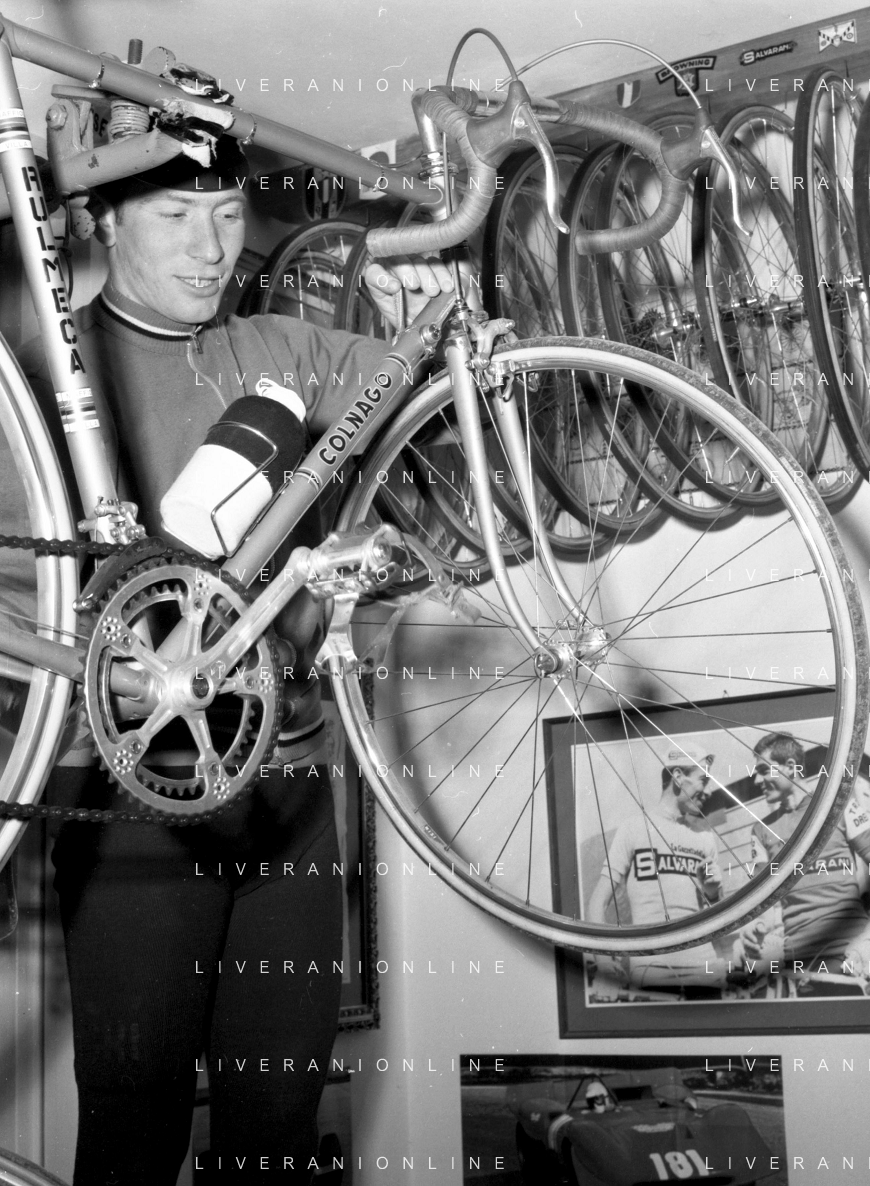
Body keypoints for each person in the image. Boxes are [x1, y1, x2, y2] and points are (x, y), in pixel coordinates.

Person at [16, 136, 457, 1186]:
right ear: (102, 222)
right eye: (175, 217)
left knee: (278, 1125)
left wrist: (447, 325)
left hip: (288, 780)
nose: (211, 248)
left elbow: (436, 395)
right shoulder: (41, 381)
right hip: (133, 791)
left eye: (224, 216)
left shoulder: (276, 347)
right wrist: (85, 671)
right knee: (135, 1121)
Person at [737, 731, 870, 995]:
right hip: (801, 967)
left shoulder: (837, 805)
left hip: (854, 958)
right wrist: (754, 930)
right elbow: (760, 904)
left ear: (791, 767)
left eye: (764, 771)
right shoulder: (761, 831)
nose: (756, 780)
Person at [585, 740, 724, 990]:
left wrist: (713, 892)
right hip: (652, 970)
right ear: (678, 777)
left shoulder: (704, 836)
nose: (708, 790)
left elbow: (718, 913)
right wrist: (603, 958)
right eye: (703, 780)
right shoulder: (634, 828)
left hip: (704, 967)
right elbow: (598, 902)